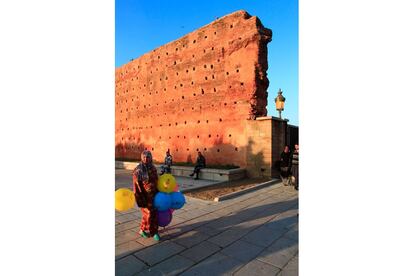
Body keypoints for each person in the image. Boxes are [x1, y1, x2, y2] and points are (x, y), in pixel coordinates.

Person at [132, 150, 160, 241]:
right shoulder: (139, 170)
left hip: (154, 195)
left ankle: (146, 230)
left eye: (148, 157)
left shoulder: (153, 167)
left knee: (153, 214)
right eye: (144, 157)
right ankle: (152, 231)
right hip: (144, 196)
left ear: (151, 157)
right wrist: (140, 198)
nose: (146, 158)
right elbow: (137, 186)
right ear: (141, 158)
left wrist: (159, 191)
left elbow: (156, 180)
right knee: (149, 214)